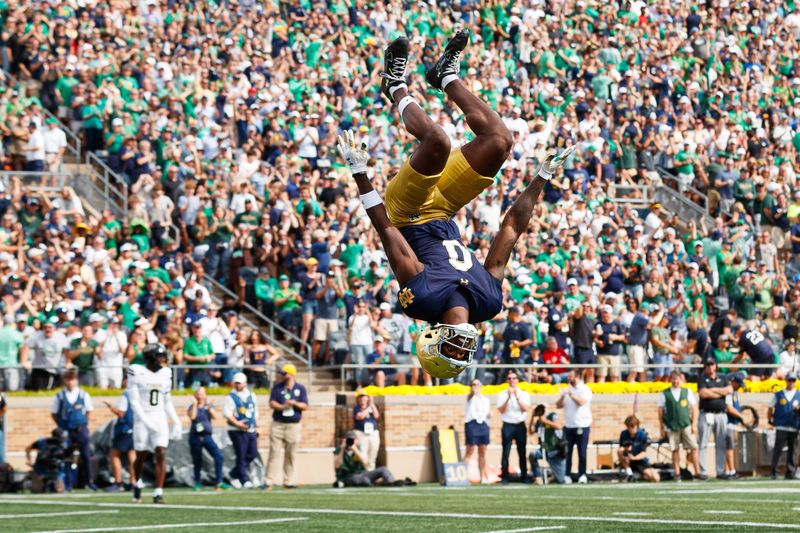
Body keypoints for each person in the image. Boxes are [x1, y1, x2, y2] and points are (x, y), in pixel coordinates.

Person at [337, 30, 574, 380]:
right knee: (499, 141)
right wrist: (542, 175)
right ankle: (445, 76)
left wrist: (359, 173)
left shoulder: (422, 300)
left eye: (451, 351)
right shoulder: (488, 302)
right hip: (445, 208)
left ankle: (395, 85)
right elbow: (510, 229)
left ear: (434, 340)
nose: (461, 346)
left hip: (407, 212)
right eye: (461, 353)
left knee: (437, 141)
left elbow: (387, 229)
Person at [127, 343, 182, 504]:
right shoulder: (136, 371)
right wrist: (146, 421)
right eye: (159, 356)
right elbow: (134, 403)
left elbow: (167, 401)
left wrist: (176, 420)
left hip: (158, 416)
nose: (163, 360)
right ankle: (137, 483)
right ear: (150, 358)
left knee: (161, 452)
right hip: (141, 418)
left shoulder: (166, 373)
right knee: (141, 455)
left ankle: (158, 492)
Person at [50, 369, 96, 491]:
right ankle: (69, 483)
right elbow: (54, 413)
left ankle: (89, 481)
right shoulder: (59, 396)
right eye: (68, 379)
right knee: (66, 457)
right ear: (64, 380)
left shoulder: (83, 394)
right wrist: (61, 425)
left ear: (76, 380)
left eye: (73, 379)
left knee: (86, 455)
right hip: (66, 430)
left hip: (80, 429)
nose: (70, 382)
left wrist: (84, 423)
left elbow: (89, 411)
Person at [266, 363, 308, 489]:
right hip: (278, 424)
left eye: (285, 374)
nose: (282, 376)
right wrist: (283, 406)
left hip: (293, 426)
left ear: (291, 375)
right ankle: (268, 481)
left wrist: (294, 403)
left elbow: (305, 406)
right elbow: (272, 403)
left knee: (291, 455)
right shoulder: (277, 387)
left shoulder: (300, 388)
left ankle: (288, 481)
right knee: (274, 453)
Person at [657, 370, 701, 481]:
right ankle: (677, 473)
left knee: (694, 447)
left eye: (678, 379)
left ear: (681, 380)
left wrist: (694, 424)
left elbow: (694, 408)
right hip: (671, 425)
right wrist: (661, 427)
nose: (676, 381)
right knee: (675, 449)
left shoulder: (687, 392)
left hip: (686, 424)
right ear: (670, 379)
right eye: (674, 378)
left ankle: (698, 472)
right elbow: (660, 411)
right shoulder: (665, 393)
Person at [697, 358, 732, 480]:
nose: (710, 367)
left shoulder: (723, 378)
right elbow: (703, 393)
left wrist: (712, 390)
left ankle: (720, 470)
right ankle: (703, 471)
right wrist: (720, 393)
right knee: (703, 443)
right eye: (708, 365)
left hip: (721, 414)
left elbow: (729, 390)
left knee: (721, 443)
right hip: (706, 414)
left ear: (716, 366)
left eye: (712, 364)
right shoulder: (702, 378)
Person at [188, 386, 229, 491]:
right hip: (195, 436)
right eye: (198, 394)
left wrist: (210, 407)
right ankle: (197, 482)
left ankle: (219, 481)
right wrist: (195, 404)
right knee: (197, 460)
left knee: (218, 456)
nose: (200, 396)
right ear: (195, 395)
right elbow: (192, 417)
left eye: (202, 394)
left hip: (207, 436)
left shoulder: (209, 406)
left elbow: (216, 417)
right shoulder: (192, 407)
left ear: (205, 395)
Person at [223, 372, 259, 489]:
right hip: (236, 430)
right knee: (241, 455)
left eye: (239, 383)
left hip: (250, 429)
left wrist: (257, 425)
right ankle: (244, 479)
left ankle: (233, 474)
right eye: (236, 383)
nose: (237, 385)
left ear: (245, 383)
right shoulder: (231, 397)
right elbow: (227, 414)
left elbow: (255, 411)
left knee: (252, 454)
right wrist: (237, 423)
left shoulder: (251, 395)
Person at [557, 370, 593, 484]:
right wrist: (563, 396)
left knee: (582, 452)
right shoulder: (568, 390)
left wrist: (570, 394)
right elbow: (558, 405)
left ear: (577, 377)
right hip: (569, 426)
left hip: (582, 425)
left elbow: (581, 402)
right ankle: (567, 474)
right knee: (568, 452)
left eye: (571, 377)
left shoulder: (585, 389)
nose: (568, 379)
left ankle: (582, 474)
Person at [497, 370, 530, 484]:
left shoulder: (524, 394)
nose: (512, 380)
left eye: (514, 378)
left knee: (522, 452)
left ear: (517, 380)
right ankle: (504, 477)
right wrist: (508, 397)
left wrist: (516, 397)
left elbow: (525, 409)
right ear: (507, 381)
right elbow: (501, 410)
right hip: (508, 424)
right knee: (506, 452)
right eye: (509, 378)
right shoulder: (502, 394)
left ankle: (524, 476)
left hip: (520, 424)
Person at [333, 431, 398, 487]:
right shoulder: (339, 449)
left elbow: (366, 463)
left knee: (384, 469)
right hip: (348, 477)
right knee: (364, 480)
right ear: (344, 440)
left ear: (356, 440)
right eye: (349, 439)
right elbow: (337, 465)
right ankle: (377, 483)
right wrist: (342, 449)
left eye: (353, 440)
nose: (351, 441)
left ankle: (391, 483)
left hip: (363, 474)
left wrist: (355, 450)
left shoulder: (358, 449)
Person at [768, 372, 799, 480]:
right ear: (785, 380)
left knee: (793, 450)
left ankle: (790, 472)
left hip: (794, 426)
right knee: (778, 450)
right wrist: (770, 419)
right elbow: (770, 407)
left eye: (793, 380)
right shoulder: (779, 394)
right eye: (789, 380)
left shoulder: (798, 394)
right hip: (781, 426)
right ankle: (774, 472)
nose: (791, 382)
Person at [103, 388, 135, 492]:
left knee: (114, 455)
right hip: (136, 428)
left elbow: (121, 413)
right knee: (132, 455)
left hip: (124, 429)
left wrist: (111, 408)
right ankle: (133, 482)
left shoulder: (126, 394)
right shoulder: (139, 392)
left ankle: (118, 483)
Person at [528, 404, 567, 484]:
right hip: (544, 449)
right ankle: (538, 477)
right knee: (532, 455)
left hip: (554, 450)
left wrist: (545, 421)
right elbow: (531, 432)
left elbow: (559, 426)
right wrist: (532, 417)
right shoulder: (539, 421)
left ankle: (553, 477)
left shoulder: (552, 416)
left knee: (561, 479)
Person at [463, 378, 491, 484]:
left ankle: (482, 476)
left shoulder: (485, 399)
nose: (475, 386)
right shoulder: (469, 397)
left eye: (477, 384)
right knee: (470, 450)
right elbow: (470, 397)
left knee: (482, 451)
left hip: (483, 424)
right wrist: (474, 393)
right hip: (472, 424)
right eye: (473, 385)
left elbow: (487, 412)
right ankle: (463, 476)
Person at [618, 415, 660, 483]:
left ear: (637, 426)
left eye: (633, 427)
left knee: (656, 478)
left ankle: (638, 476)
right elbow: (621, 448)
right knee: (620, 451)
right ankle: (630, 473)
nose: (631, 429)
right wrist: (627, 451)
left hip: (640, 461)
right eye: (629, 427)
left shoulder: (642, 435)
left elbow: (643, 453)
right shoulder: (624, 434)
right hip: (628, 461)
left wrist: (634, 458)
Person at [594, 304, 625, 383]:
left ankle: (614, 394)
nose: (605, 315)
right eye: (603, 313)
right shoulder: (598, 324)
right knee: (601, 375)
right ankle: (600, 393)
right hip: (602, 354)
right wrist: (598, 342)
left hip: (614, 353)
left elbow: (623, 337)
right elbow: (594, 338)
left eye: (607, 313)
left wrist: (615, 337)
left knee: (614, 376)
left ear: (611, 314)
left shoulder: (616, 324)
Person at [723, 373, 746, 480]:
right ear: (733, 382)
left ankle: (728, 470)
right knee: (729, 447)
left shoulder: (734, 392)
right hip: (728, 423)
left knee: (731, 446)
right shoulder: (729, 392)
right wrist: (741, 416)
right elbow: (729, 408)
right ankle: (731, 470)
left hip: (733, 423)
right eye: (739, 384)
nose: (740, 387)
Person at [353, 390, 381, 471]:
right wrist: (368, 408)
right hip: (361, 434)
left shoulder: (371, 406)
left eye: (364, 396)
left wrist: (372, 405)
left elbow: (376, 416)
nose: (362, 398)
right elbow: (360, 416)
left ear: (367, 398)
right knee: (363, 454)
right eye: (360, 397)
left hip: (373, 433)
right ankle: (364, 472)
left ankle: (371, 472)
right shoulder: (357, 408)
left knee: (373, 453)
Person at [0, 314, 29, 391]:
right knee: (12, 389)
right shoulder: (17, 334)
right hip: (11, 365)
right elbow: (22, 349)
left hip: (2, 364)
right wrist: (23, 361)